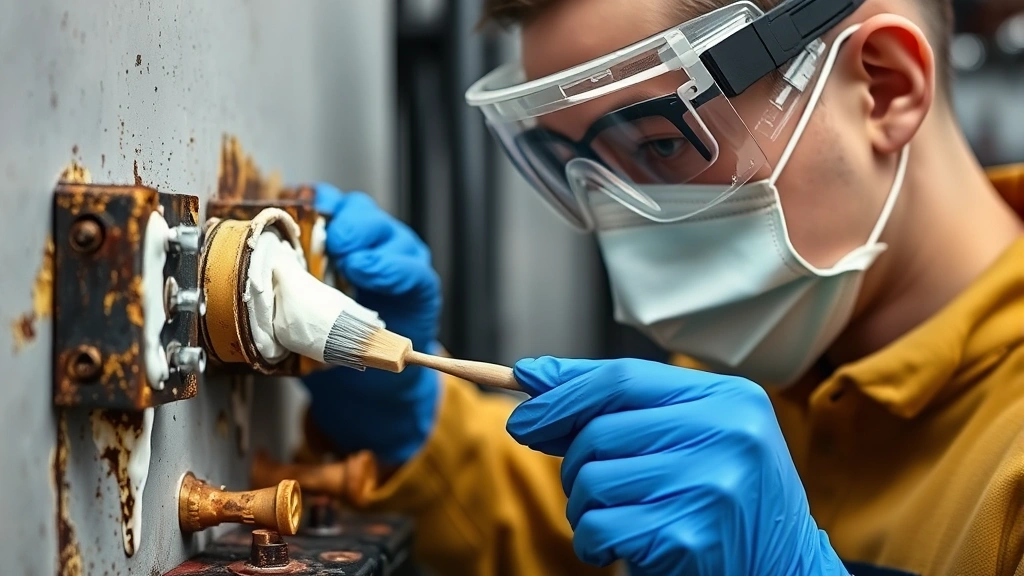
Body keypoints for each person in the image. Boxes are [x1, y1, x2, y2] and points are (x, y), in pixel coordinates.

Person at [301, 0, 1024, 573]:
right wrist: (412, 422)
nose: (623, 227)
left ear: (884, 88)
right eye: (579, 166)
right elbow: (574, 533)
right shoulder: (781, 366)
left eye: (661, 144)